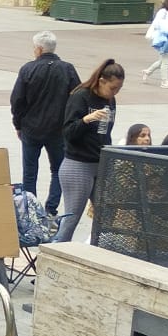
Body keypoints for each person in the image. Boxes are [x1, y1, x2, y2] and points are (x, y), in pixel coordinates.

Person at [10, 31, 78, 215]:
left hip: (31, 128)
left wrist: (18, 123)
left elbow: (17, 100)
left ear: (39, 49)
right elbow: (77, 98)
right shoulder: (67, 69)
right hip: (57, 129)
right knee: (58, 169)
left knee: (30, 170)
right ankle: (51, 207)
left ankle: (31, 209)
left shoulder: (28, 69)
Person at [56, 60, 123, 243]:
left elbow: (105, 134)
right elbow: (68, 132)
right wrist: (86, 119)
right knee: (72, 217)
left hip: (100, 162)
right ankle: (57, 250)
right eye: (112, 88)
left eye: (118, 89)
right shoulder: (81, 96)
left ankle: (97, 249)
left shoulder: (110, 101)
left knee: (107, 214)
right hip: (78, 163)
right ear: (101, 81)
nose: (115, 93)